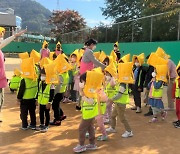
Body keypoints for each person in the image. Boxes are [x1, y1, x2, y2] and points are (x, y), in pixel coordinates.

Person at [0, 27, 26, 122]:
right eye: (1, 33)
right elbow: (3, 43)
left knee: (1, 98)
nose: (2, 35)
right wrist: (15, 36)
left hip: (1, 78)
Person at [73, 72, 99, 153]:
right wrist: (81, 90)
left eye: (82, 81)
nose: (81, 83)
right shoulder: (88, 89)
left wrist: (83, 96)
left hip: (89, 113)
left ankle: (81, 145)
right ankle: (92, 143)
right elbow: (82, 94)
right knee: (90, 128)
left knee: (82, 128)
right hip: (89, 113)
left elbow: (91, 101)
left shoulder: (91, 90)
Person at [106, 62, 133, 138]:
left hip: (121, 103)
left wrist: (111, 99)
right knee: (113, 115)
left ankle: (129, 131)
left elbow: (119, 95)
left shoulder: (123, 84)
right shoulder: (120, 82)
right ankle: (112, 127)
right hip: (118, 102)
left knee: (122, 118)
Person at [17, 62, 38, 130]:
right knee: (32, 112)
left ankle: (24, 125)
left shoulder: (24, 80)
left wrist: (18, 98)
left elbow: (21, 90)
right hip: (33, 98)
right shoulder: (36, 79)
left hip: (24, 99)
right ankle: (33, 124)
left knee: (24, 113)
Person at [172, 62, 180, 128]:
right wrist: (173, 97)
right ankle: (179, 120)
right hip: (177, 97)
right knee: (177, 110)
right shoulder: (177, 79)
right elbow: (174, 88)